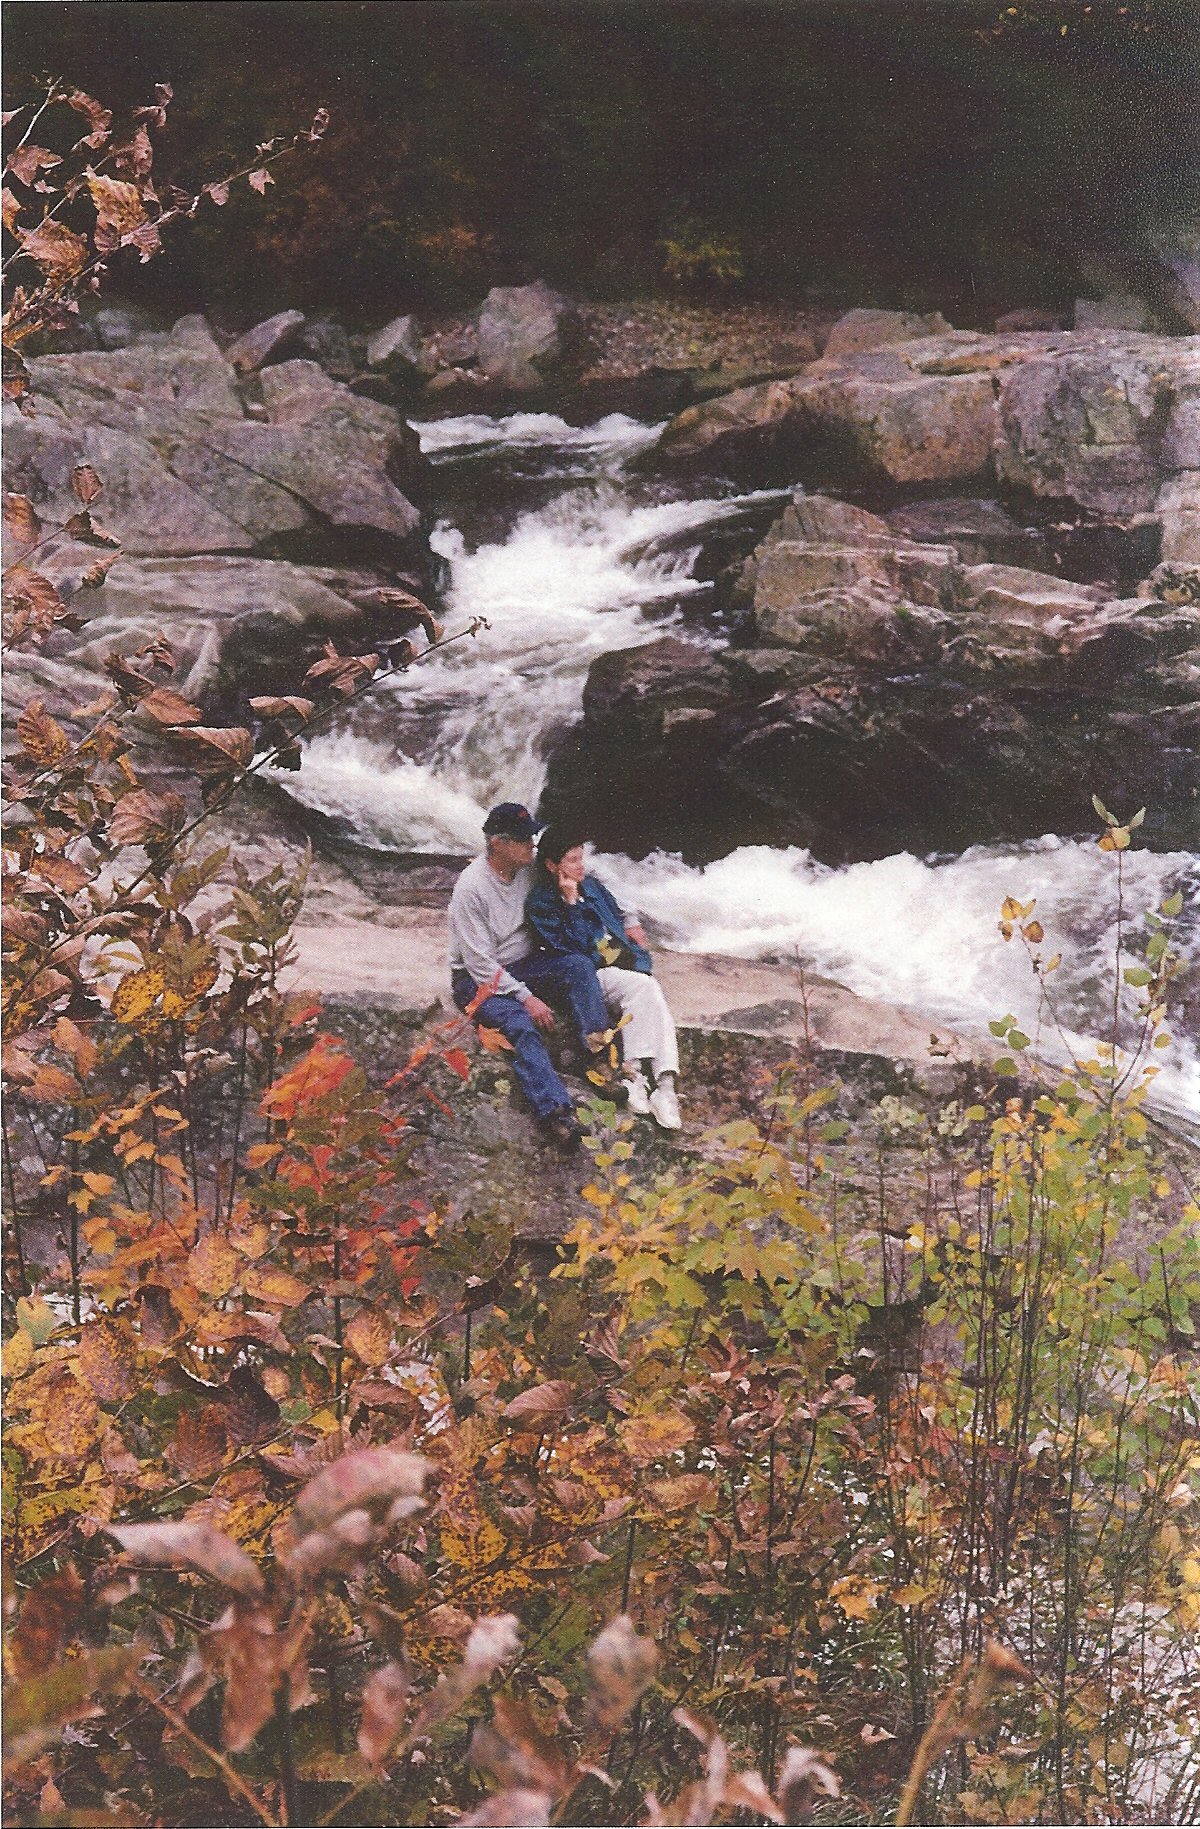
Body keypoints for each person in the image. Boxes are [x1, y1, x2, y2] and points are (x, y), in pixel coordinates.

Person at [448, 802, 610, 1152]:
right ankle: (555, 1112)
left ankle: (596, 1057)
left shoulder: (528, 868)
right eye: (523, 839)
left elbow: (589, 882)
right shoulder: (471, 888)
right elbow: (478, 965)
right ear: (498, 844)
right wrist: (526, 996)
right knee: (521, 1023)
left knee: (578, 966)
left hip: (525, 965)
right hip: (478, 982)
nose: (532, 844)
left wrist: (628, 918)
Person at [526, 827, 681, 1131]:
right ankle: (644, 1078)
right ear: (551, 865)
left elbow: (619, 921)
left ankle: (663, 1085)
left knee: (649, 990)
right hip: (588, 974)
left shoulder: (593, 887)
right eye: (572, 860)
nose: (580, 866)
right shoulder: (541, 903)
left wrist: (635, 941)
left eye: (581, 858)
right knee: (645, 988)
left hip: (617, 965)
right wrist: (570, 903)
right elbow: (573, 953)